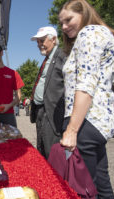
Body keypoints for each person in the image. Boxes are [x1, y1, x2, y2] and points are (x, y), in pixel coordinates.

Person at [59, 0, 114, 199]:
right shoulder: (105, 34)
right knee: (101, 185)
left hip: (86, 121)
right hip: (98, 122)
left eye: (69, 19)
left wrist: (72, 129)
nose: (64, 26)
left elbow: (85, 84)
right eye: (61, 23)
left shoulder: (89, 34)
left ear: (84, 13)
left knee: (83, 190)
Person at [30, 26, 67, 158]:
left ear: (54, 39)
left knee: (51, 151)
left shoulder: (62, 56)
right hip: (41, 110)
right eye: (38, 42)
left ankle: (54, 177)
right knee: (41, 146)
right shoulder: (47, 59)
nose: (39, 44)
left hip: (51, 112)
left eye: (42, 40)